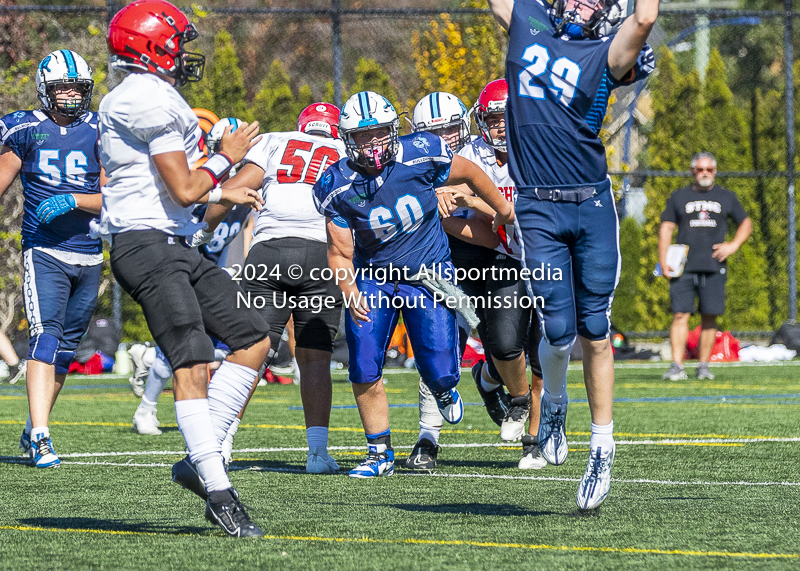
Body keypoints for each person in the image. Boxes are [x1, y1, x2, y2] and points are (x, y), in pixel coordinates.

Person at [101, 0, 270, 537]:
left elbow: (174, 191)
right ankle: (219, 491)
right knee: (192, 359)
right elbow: (183, 187)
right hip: (144, 246)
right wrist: (228, 156)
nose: (184, 52)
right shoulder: (144, 99)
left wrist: (225, 188)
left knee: (253, 338)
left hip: (173, 242)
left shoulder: (152, 96)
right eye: (176, 41)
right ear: (150, 45)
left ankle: (203, 460)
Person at [487, 0, 658, 509]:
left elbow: (645, 20)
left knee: (597, 330)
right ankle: (555, 406)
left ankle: (602, 448)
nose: (585, 2)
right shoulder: (528, 21)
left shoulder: (607, 52)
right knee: (558, 333)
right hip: (537, 205)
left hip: (590, 204)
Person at [314, 90, 512, 478]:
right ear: (346, 139)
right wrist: (349, 289)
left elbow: (471, 173)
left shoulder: (421, 151)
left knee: (439, 367)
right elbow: (339, 253)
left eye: (380, 133)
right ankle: (379, 453)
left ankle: (444, 388)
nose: (373, 144)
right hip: (374, 277)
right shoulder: (337, 183)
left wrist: (503, 209)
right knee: (363, 361)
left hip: (429, 274)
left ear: (394, 130)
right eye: (362, 136)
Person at [214, 102, 346, 474]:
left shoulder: (274, 142)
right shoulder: (346, 150)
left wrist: (203, 224)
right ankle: (317, 454)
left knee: (249, 352)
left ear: (302, 126)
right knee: (315, 357)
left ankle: (220, 443)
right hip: (323, 254)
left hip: (269, 250)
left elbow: (236, 188)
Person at [0, 49, 102, 468]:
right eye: (63, 87)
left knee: (64, 352)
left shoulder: (101, 130)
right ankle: (42, 436)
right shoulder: (24, 129)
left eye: (77, 88)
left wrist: (74, 199)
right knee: (44, 335)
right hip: (44, 250)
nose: (71, 96)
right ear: (46, 88)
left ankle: (31, 427)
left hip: (91, 254)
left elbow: (116, 197)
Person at [131, 116, 253, 437]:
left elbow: (241, 235)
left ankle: (206, 413)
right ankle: (146, 408)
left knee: (219, 348)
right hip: (180, 264)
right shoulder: (198, 179)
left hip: (210, 270)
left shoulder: (249, 185)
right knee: (179, 348)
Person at [659, 152, 752, 381]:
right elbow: (667, 228)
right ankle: (677, 366)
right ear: (693, 171)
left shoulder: (726, 197)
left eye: (709, 170)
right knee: (680, 314)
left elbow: (746, 223)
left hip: (714, 266)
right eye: (700, 169)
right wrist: (662, 259)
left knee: (709, 317)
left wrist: (733, 245)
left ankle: (703, 365)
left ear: (715, 171)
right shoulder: (679, 196)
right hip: (683, 267)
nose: (704, 174)